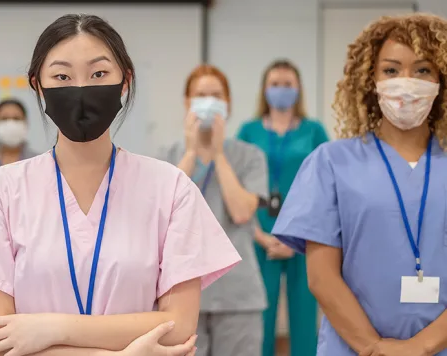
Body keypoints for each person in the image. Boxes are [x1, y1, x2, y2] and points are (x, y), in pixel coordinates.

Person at [0, 14, 242, 356]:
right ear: (38, 84)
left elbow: (177, 328)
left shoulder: (171, 190)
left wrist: (47, 328)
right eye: (62, 76)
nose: (81, 88)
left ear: (125, 81)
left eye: (98, 74)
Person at [272, 13, 447, 356]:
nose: (407, 82)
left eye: (423, 69)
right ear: (371, 79)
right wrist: (373, 347)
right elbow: (322, 278)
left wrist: (422, 346)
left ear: (441, 79)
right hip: (352, 348)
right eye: (391, 70)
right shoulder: (332, 163)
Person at [161, 64, 268, 356]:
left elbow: (242, 212)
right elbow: (161, 213)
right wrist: (193, 153)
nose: (208, 101)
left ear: (228, 104)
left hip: (238, 296)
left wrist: (218, 154)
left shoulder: (250, 156)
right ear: (186, 103)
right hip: (181, 295)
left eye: (215, 95)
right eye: (200, 95)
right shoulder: (166, 157)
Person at [236, 59, 329, 356]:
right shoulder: (248, 131)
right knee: (260, 317)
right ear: (264, 89)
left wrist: (300, 240)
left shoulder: (314, 130)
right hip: (259, 234)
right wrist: (257, 234)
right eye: (275, 84)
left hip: (303, 237)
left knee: (304, 315)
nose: (281, 90)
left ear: (298, 89)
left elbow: (327, 187)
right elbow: (235, 187)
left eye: (287, 84)